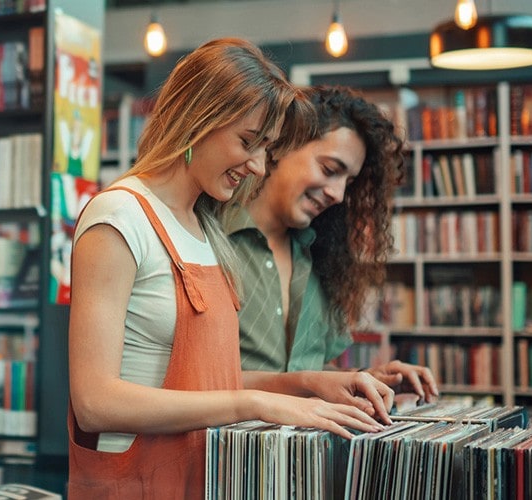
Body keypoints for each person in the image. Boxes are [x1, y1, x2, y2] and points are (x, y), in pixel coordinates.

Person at [67, 39, 395, 498]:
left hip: (201, 477)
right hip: (136, 483)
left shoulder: (206, 229)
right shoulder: (119, 216)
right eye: (248, 142)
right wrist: (257, 402)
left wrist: (307, 384)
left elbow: (206, 382)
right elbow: (94, 403)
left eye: (267, 149)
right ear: (198, 118)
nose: (260, 166)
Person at [222, 85, 441, 405]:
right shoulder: (210, 239)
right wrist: (310, 383)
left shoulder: (320, 256)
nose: (337, 194)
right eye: (329, 170)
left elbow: (308, 369)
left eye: (348, 182)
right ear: (283, 144)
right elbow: (192, 379)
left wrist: (364, 380)